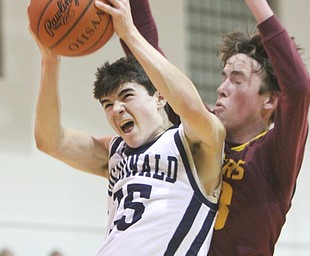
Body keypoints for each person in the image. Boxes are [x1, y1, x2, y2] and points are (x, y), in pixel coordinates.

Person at [28, 0, 225, 255]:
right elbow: (51, 141)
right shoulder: (115, 152)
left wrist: (130, 34)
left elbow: (190, 106)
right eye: (107, 104)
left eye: (127, 96)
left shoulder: (194, 144)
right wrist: (50, 61)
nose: (116, 109)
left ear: (160, 97)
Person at [124, 0, 310, 255]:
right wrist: (127, 21)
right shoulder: (202, 130)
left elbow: (298, 89)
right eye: (224, 78)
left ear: (269, 99)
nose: (222, 88)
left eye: (237, 80)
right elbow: (152, 64)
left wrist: (257, 5)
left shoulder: (273, 154)